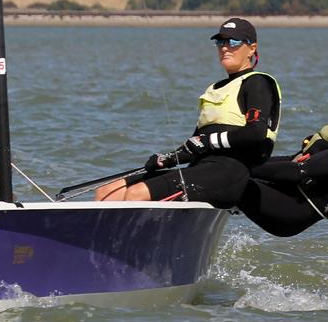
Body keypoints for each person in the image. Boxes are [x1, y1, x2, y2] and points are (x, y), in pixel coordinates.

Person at [120, 58, 328, 238]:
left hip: (292, 210)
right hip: (283, 193)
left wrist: (235, 165)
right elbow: (290, 160)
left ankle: (149, 232)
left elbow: (298, 171)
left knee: (226, 174)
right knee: (220, 170)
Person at [95, 17, 282, 202]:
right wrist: (167, 159)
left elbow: (256, 133)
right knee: (108, 191)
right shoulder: (214, 89)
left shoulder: (257, 82)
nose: (225, 47)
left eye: (233, 42)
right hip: (200, 168)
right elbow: (196, 145)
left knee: (136, 194)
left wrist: (209, 141)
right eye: (220, 42)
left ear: (252, 48)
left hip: (229, 173)